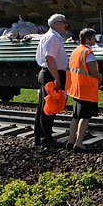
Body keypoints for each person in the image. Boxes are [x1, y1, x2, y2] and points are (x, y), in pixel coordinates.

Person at [34, 13, 69, 147]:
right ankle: (46, 138)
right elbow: (50, 59)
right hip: (51, 74)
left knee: (43, 107)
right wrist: (57, 78)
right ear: (56, 24)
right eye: (63, 22)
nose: (65, 25)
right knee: (49, 107)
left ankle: (40, 137)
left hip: (48, 73)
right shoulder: (53, 38)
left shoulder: (51, 37)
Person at [65, 28, 102, 152]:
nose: (95, 40)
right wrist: (100, 76)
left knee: (76, 116)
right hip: (86, 89)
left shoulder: (76, 51)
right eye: (93, 38)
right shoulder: (88, 53)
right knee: (84, 117)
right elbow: (92, 71)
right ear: (88, 39)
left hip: (76, 88)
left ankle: (70, 141)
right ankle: (79, 143)